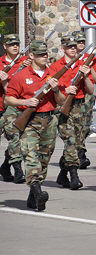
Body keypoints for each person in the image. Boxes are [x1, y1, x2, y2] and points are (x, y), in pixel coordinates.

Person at [5, 40, 62, 211]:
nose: (44, 57)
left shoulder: (53, 74)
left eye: (45, 54)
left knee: (44, 158)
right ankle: (37, 191)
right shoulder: (21, 76)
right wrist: (26, 101)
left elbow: (61, 101)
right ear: (31, 56)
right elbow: (9, 99)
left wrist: (56, 90)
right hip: (29, 121)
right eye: (39, 54)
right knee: (31, 156)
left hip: (49, 121)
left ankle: (33, 196)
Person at [51, 35, 95, 190]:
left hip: (80, 107)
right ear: (63, 48)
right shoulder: (56, 67)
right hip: (63, 106)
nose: (73, 49)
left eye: (74, 47)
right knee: (70, 140)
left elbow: (90, 90)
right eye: (69, 47)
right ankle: (74, 176)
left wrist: (86, 75)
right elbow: (52, 90)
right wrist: (65, 90)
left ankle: (62, 174)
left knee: (77, 142)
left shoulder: (82, 65)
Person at [0, 34, 31, 183]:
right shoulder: (0, 63)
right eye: (11, 44)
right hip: (1, 105)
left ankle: (17, 170)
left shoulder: (25, 62)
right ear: (5, 46)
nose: (15, 46)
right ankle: (6, 166)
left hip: (14, 107)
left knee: (14, 138)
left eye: (17, 44)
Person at [71, 30, 96, 169]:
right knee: (74, 127)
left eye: (82, 41)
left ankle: (80, 151)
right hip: (74, 94)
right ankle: (78, 154)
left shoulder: (90, 57)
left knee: (85, 125)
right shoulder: (71, 58)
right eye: (78, 42)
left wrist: (89, 67)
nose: (81, 44)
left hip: (88, 93)